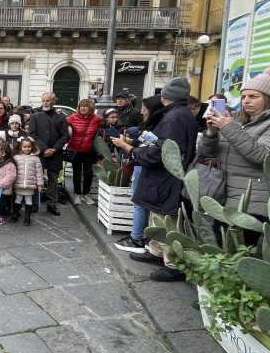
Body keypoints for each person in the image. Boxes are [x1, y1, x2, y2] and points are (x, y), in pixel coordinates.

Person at [112, 77, 198, 282]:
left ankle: (173, 264)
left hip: (165, 178)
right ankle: (157, 251)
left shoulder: (173, 117)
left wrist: (130, 149)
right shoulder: (180, 114)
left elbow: (161, 151)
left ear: (166, 95)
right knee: (157, 215)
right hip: (164, 177)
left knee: (166, 219)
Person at [199, 68, 270, 227]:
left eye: (253, 96)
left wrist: (228, 128)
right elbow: (205, 153)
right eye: (243, 96)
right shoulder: (235, 121)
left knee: (243, 248)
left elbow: (263, 157)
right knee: (221, 247)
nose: (246, 101)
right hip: (224, 196)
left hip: (254, 200)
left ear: (269, 99)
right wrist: (211, 132)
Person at [114, 95, 165, 253]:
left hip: (141, 166)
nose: (142, 113)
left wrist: (123, 144)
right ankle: (142, 237)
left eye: (144, 109)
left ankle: (136, 238)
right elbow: (140, 144)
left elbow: (144, 149)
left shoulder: (155, 127)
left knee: (139, 203)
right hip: (144, 166)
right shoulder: (156, 125)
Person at [29, 92, 69, 216]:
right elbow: (32, 134)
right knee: (36, 178)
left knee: (53, 180)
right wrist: (45, 148)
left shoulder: (61, 117)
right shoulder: (36, 116)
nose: (45, 103)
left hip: (55, 154)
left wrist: (54, 149)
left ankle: (52, 204)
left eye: (48, 101)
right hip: (39, 153)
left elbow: (65, 135)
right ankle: (34, 203)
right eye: (43, 100)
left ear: (53, 101)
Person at [66, 99, 102, 205]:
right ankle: (77, 194)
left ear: (90, 107)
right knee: (76, 173)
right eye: (81, 106)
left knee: (88, 173)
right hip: (75, 150)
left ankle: (86, 194)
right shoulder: (73, 117)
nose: (83, 108)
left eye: (85, 106)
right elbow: (62, 124)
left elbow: (102, 132)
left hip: (89, 151)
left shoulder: (96, 119)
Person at [13, 136, 45, 225]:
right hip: (19, 183)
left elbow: (39, 172)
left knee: (28, 199)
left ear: (32, 147)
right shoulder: (16, 157)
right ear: (20, 147)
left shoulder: (36, 158)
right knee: (18, 198)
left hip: (29, 184)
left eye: (28, 147)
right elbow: (13, 170)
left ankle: (27, 218)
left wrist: (39, 184)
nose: (27, 149)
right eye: (24, 147)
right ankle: (15, 214)